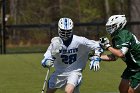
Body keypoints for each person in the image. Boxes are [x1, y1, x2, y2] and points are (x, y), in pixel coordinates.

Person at [41, 17, 103, 93]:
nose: (65, 34)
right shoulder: (55, 43)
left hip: (74, 71)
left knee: (68, 91)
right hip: (59, 72)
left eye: (68, 31)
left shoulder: (80, 41)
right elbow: (45, 59)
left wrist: (96, 57)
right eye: (63, 31)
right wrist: (46, 62)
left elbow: (97, 45)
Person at [97, 15, 140, 93]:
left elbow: (121, 54)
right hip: (132, 67)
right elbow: (114, 57)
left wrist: (107, 46)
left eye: (112, 26)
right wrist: (98, 56)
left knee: (131, 91)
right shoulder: (116, 37)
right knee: (122, 89)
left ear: (120, 25)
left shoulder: (124, 34)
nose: (109, 28)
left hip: (139, 66)